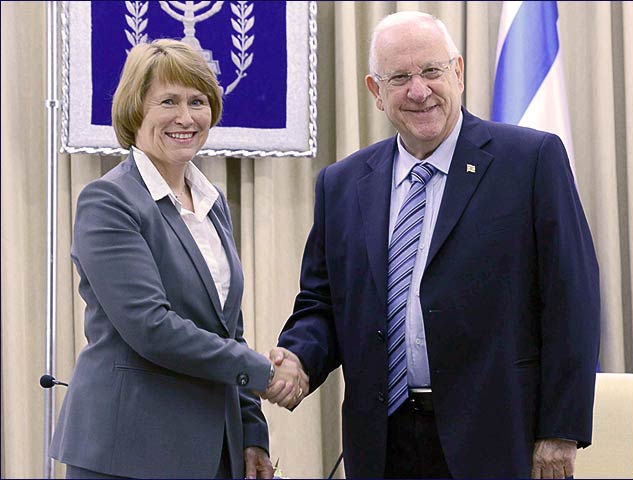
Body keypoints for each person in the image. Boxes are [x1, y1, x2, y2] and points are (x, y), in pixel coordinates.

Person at [264, 11, 600, 479]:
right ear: (376, 91)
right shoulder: (341, 185)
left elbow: (572, 300)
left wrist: (559, 429)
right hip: (383, 442)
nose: (418, 90)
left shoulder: (530, 161)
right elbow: (323, 304)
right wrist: (297, 358)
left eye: (431, 71)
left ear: (457, 73)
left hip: (501, 436)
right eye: (399, 77)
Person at [50, 39, 307, 479]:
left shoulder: (210, 202)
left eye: (197, 101)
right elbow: (151, 327)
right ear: (136, 110)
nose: (186, 117)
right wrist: (265, 372)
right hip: (130, 451)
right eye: (168, 101)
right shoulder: (109, 201)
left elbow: (228, 331)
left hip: (213, 450)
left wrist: (251, 434)